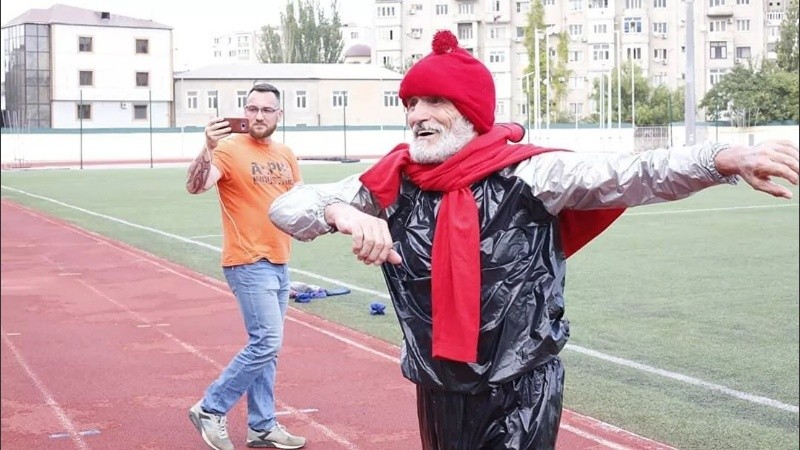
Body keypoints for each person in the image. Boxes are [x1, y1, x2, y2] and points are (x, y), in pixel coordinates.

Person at [268, 30, 799, 450]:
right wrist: (339, 210)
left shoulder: (531, 175)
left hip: (520, 384)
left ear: (470, 113)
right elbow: (287, 208)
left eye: (433, 101)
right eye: (410, 102)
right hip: (438, 385)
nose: (416, 115)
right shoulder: (392, 181)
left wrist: (722, 158)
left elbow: (635, 173)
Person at [185, 83, 306, 450]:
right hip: (247, 261)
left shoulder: (286, 154)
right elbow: (195, 187)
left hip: (279, 261)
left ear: (278, 116)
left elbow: (298, 203)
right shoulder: (227, 149)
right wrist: (206, 148)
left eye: (266, 110)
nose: (257, 116)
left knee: (266, 348)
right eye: (251, 108)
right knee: (267, 341)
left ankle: (262, 426)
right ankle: (211, 407)